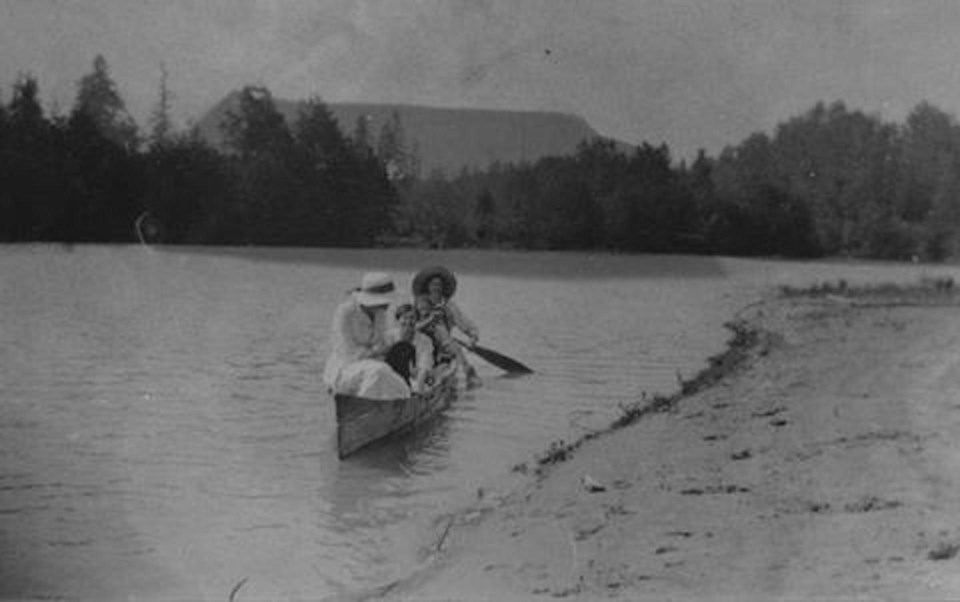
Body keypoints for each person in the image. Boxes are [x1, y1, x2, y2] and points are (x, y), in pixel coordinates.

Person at [322, 272, 411, 400]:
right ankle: (362, 404)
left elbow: (381, 342)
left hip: (373, 363)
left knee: (396, 377)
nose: (387, 305)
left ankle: (390, 404)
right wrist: (375, 351)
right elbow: (347, 351)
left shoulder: (380, 314)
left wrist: (387, 348)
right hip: (346, 368)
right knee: (378, 371)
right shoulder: (345, 312)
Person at [412, 266, 482, 389]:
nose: (436, 288)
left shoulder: (449, 306)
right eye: (433, 285)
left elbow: (464, 323)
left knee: (441, 331)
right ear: (428, 286)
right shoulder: (419, 302)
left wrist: (473, 337)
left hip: (444, 345)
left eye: (439, 285)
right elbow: (411, 323)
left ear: (443, 288)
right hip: (419, 341)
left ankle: (467, 369)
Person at [386, 303, 435, 393]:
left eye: (412, 318)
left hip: (415, 379)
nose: (408, 321)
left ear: (417, 320)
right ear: (398, 320)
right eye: (405, 318)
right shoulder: (389, 337)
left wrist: (420, 391)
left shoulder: (424, 340)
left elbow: (424, 367)